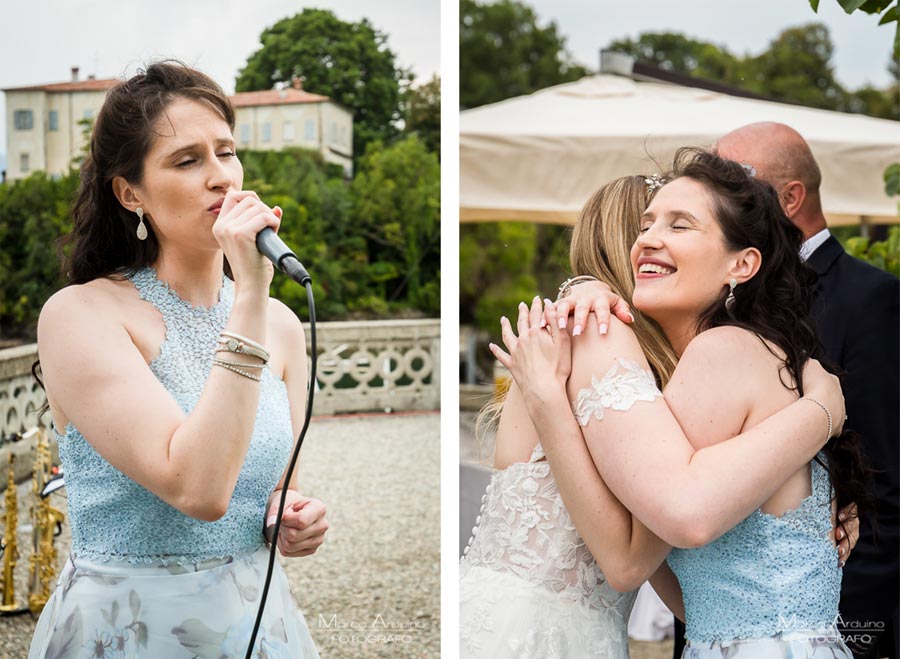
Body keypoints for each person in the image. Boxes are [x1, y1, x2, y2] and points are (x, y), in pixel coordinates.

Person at [459, 168, 857, 658]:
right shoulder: (597, 331)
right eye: (645, 227)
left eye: (678, 225)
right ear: (621, 245)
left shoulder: (698, 364)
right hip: (542, 635)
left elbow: (700, 582)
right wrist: (823, 412)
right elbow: (642, 562)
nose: (650, 241)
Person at [29, 62, 326, 658]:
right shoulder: (80, 316)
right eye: (188, 161)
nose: (221, 177)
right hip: (129, 626)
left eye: (227, 152)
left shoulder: (284, 328)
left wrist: (291, 516)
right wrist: (250, 294)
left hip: (256, 621)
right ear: (130, 192)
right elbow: (197, 489)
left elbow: (271, 488)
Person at [716, 122, 899, 659]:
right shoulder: (718, 296)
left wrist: (851, 630)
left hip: (827, 621)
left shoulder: (872, 300)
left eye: (734, 183)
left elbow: (884, 481)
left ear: (790, 198)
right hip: (718, 612)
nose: (716, 197)